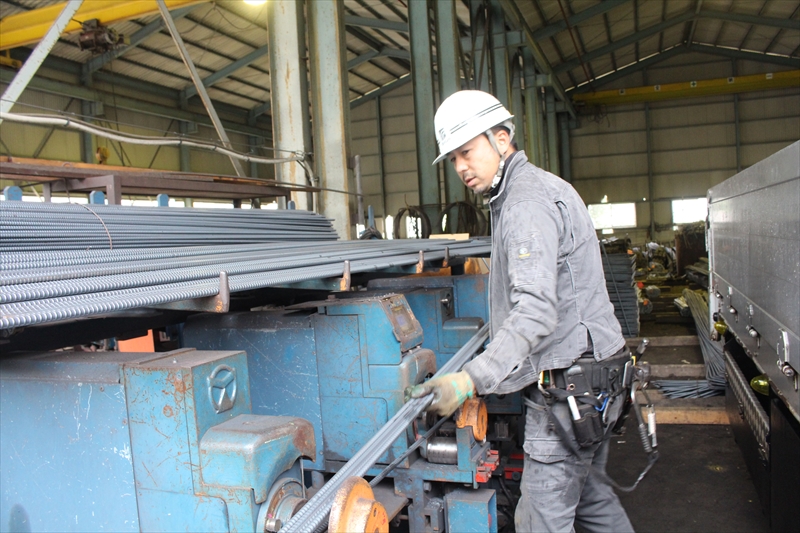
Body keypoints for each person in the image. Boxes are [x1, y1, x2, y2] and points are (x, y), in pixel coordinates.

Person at [409, 90, 635, 533]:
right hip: (599, 378)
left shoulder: (525, 203)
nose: (460, 167)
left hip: (570, 389)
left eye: (468, 151)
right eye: (453, 158)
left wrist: (470, 378)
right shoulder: (539, 188)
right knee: (592, 503)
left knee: (540, 523)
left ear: (502, 137)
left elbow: (535, 311)